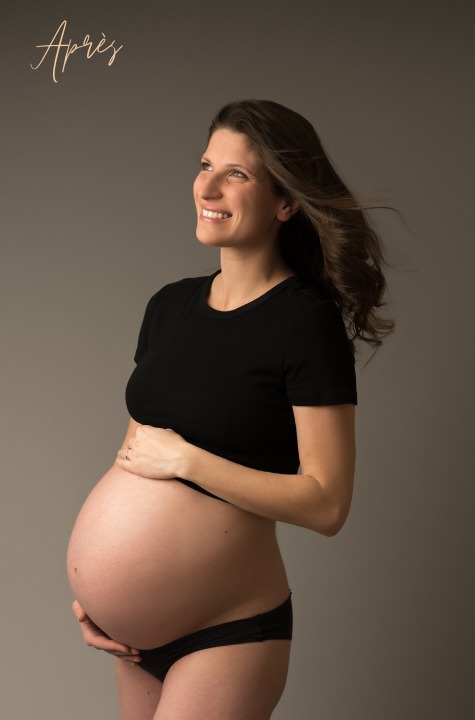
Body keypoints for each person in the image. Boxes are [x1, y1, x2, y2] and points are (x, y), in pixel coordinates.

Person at [68, 99, 393, 720]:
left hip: (228, 631)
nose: (208, 187)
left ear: (286, 202)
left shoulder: (304, 323)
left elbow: (328, 504)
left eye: (237, 174)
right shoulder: (167, 306)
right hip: (132, 639)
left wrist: (190, 462)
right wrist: (101, 598)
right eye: (205, 165)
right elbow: (137, 457)